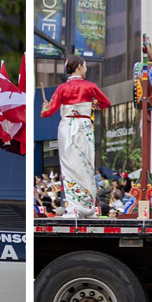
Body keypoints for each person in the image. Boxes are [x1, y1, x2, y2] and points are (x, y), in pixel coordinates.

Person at [40, 57, 111, 218]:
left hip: (66, 127)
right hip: (84, 127)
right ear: (79, 67)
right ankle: (88, 208)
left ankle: (74, 207)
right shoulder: (90, 86)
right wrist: (93, 105)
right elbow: (106, 102)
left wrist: (45, 106)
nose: (86, 69)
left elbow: (46, 112)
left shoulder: (61, 89)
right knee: (86, 165)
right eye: (85, 66)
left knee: (69, 166)